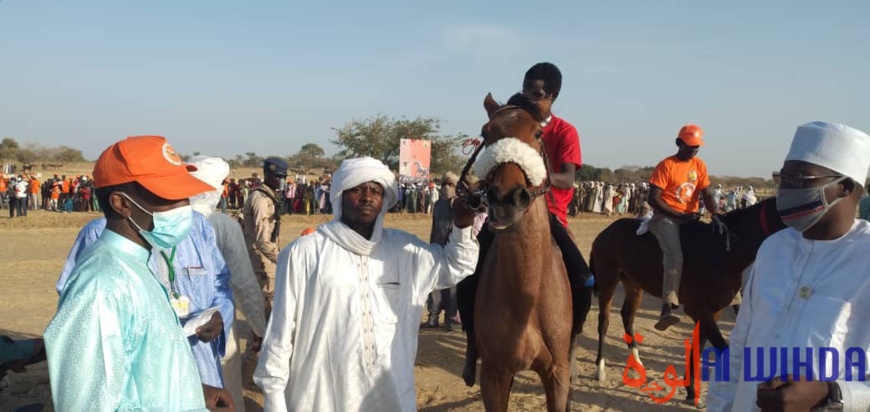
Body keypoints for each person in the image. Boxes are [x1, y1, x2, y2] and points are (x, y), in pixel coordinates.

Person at [253, 156, 479, 411]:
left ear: (384, 200)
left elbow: (457, 266)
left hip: (390, 394)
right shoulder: (304, 252)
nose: (367, 197)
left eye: (375, 190)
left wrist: (462, 225)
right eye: (357, 189)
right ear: (339, 196)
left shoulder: (405, 250)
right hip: (320, 395)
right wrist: (273, 397)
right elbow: (281, 331)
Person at [43, 135, 228, 411]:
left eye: (185, 197)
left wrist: (191, 392)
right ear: (122, 204)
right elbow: (93, 403)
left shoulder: (136, 264)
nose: (184, 208)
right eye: (170, 197)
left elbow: (138, 368)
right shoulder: (102, 285)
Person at [707, 121, 870, 411]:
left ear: (843, 187)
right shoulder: (773, 249)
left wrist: (833, 394)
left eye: (799, 178)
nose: (786, 188)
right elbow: (739, 347)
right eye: (783, 178)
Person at [189, 155, 268, 412]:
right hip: (218, 325)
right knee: (226, 391)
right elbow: (243, 283)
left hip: (174, 325)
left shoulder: (160, 222)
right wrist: (259, 328)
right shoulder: (222, 225)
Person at [646, 124, 721, 331]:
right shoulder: (667, 165)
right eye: (690, 146)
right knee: (675, 256)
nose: (694, 150)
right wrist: (678, 214)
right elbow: (653, 198)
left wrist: (716, 214)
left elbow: (707, 193)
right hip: (666, 217)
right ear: (679, 143)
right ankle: (668, 306)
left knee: (714, 246)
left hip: (689, 218)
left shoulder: (699, 166)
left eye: (697, 146)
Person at [243, 157, 288, 318]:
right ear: (267, 175)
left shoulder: (270, 196)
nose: (281, 181)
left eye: (284, 177)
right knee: (266, 303)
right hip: (260, 258)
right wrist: (284, 259)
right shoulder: (260, 199)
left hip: (267, 256)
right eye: (278, 177)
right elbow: (262, 240)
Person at [422, 172, 460, 330]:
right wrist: (431, 246)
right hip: (437, 248)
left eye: (450, 184)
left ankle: (451, 320)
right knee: (435, 284)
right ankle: (433, 318)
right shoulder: (437, 204)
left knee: (451, 286)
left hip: (452, 250)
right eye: (444, 183)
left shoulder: (458, 204)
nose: (446, 187)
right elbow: (434, 226)